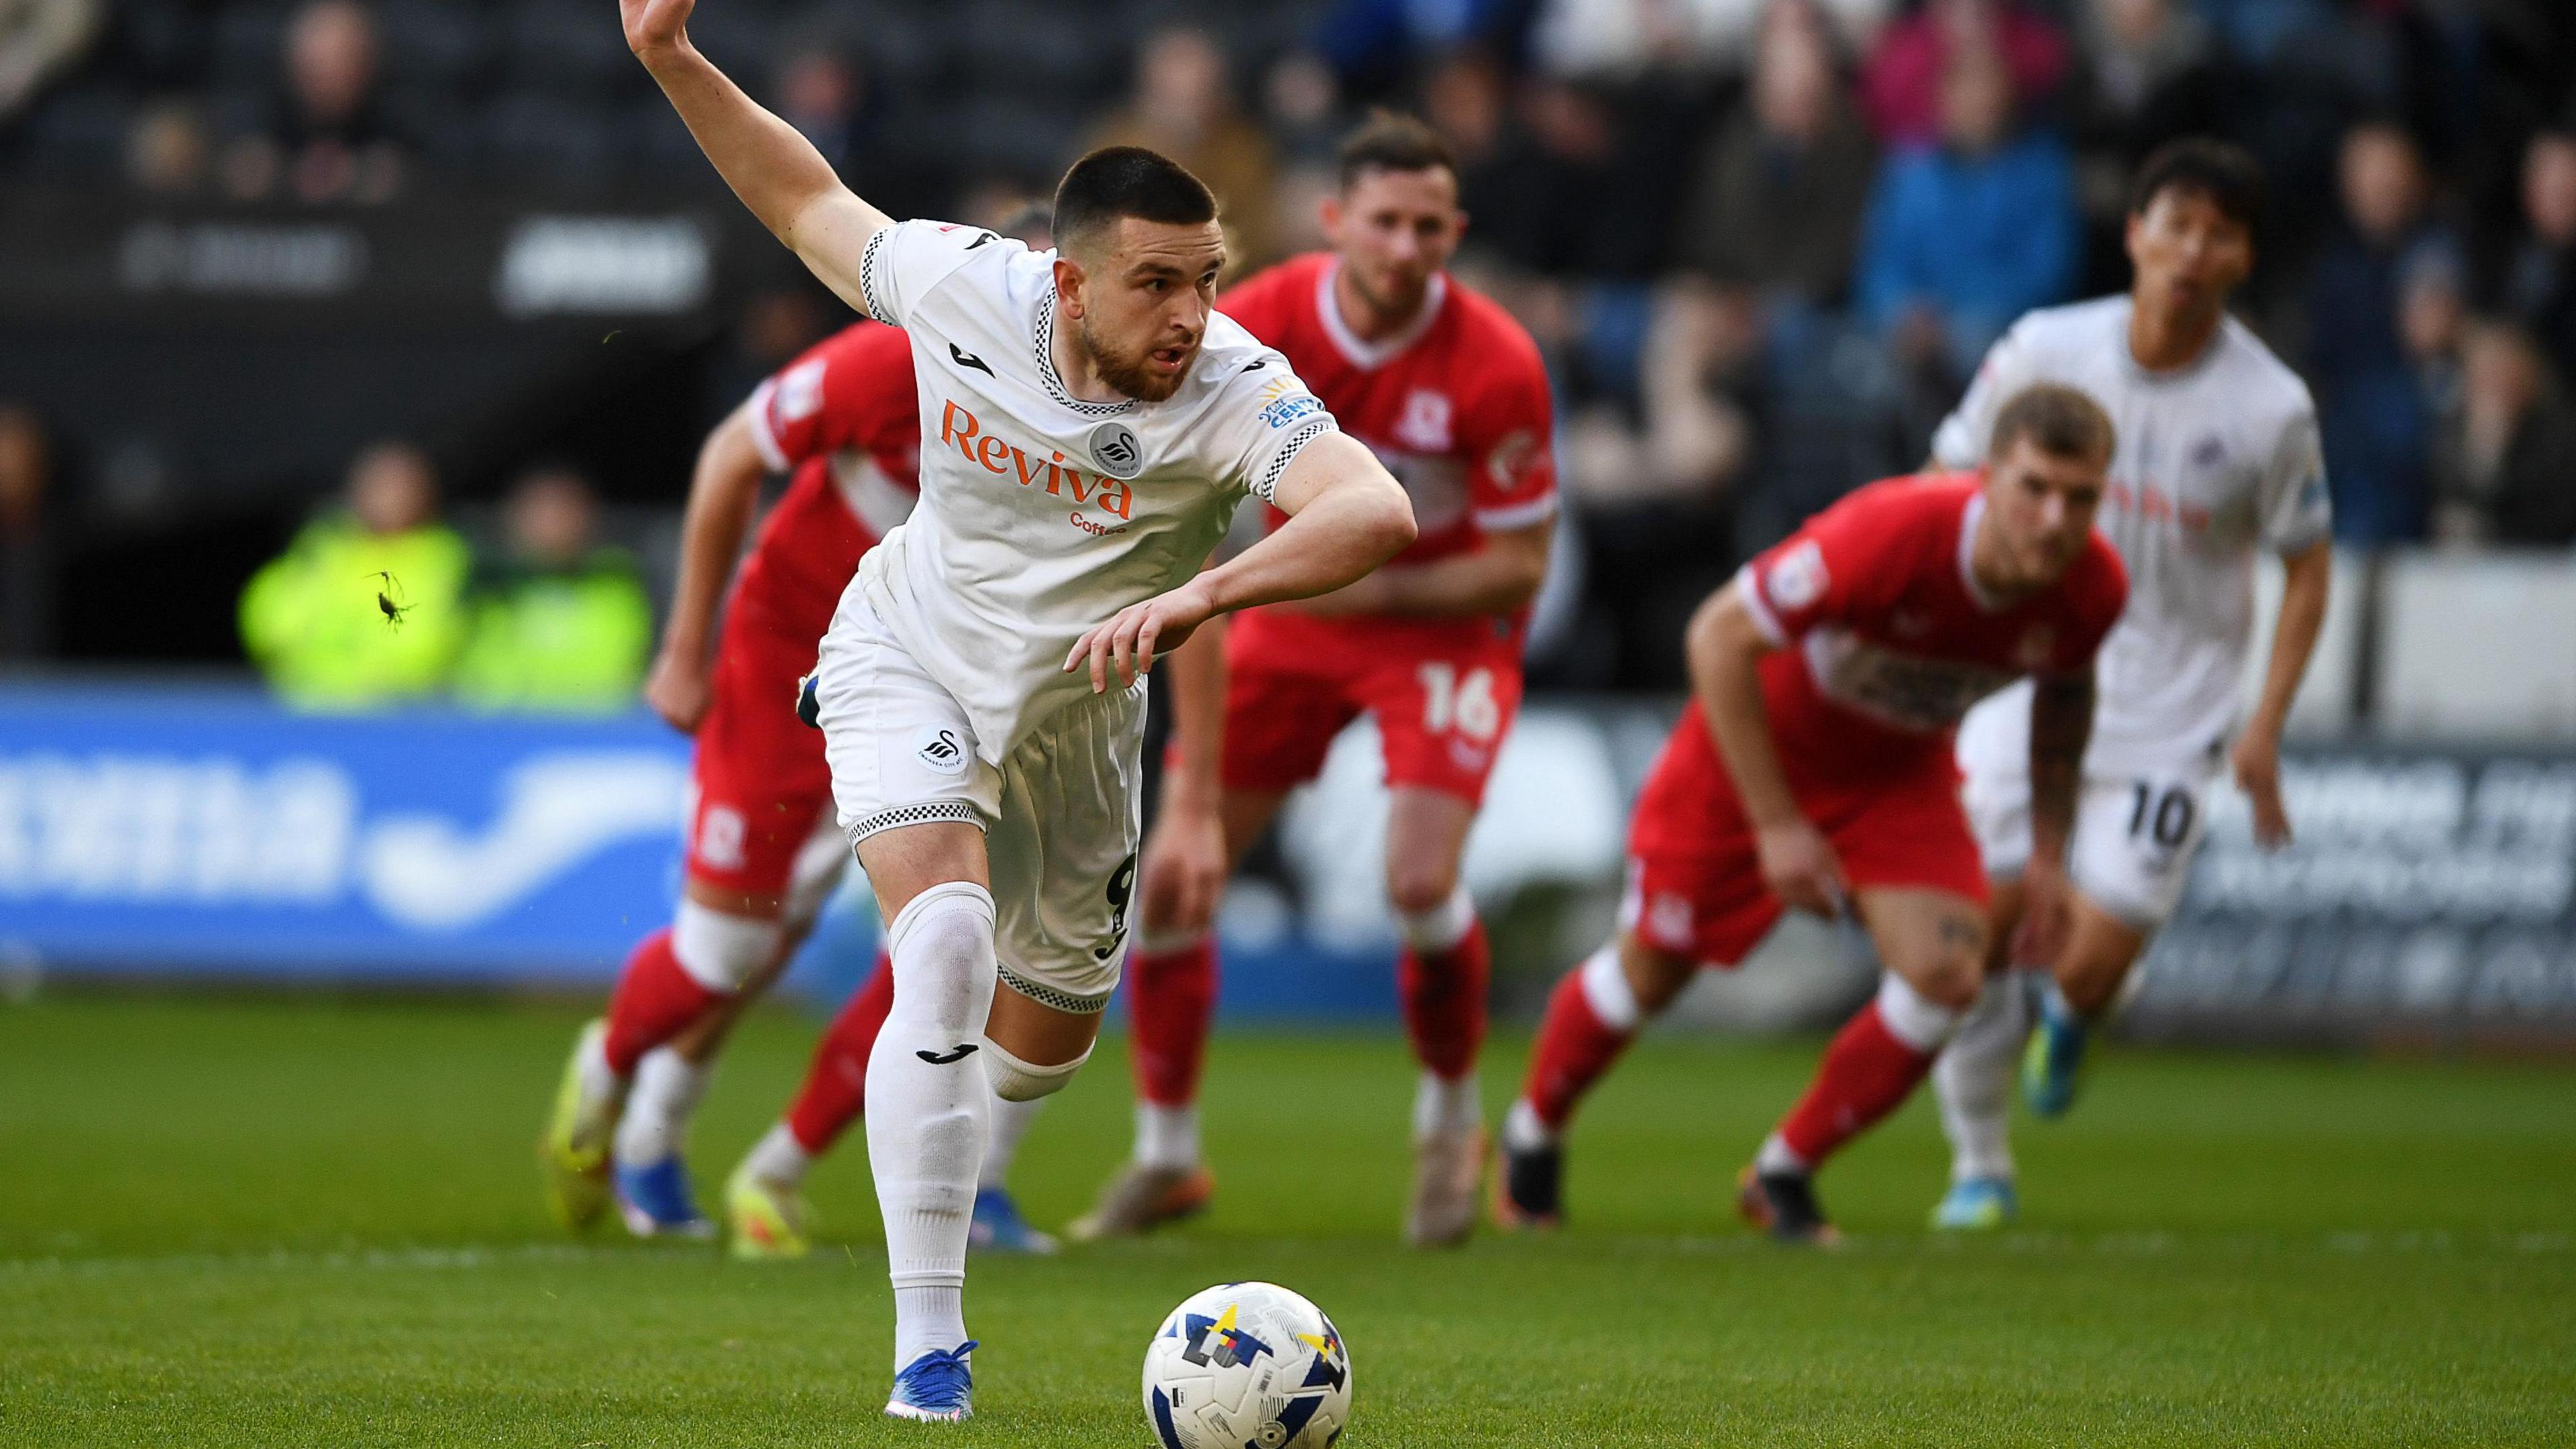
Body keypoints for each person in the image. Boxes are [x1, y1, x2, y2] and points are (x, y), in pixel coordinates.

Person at [555, 0, 1417, 1423]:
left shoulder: (1234, 388)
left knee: (1036, 1054)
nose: (1190, 315)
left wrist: (1208, 596)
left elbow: (1375, 507)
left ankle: (906, 1157)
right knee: (940, 943)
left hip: (1080, 729)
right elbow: (802, 197)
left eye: (1207, 279)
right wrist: (670, 58)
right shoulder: (964, 290)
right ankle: (928, 1357)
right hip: (910, 653)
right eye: (1156, 283)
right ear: (1066, 283)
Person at [1069, 113, 1557, 1250]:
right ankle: (1167, 1156)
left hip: (1432, 630)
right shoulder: (1267, 319)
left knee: (1419, 879)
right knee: (1182, 873)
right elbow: (1190, 491)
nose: (1403, 245)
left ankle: (1447, 1126)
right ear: (1337, 221)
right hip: (1286, 617)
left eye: (1427, 226)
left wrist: (1372, 590)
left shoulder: (1498, 361)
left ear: (1455, 233)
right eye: (1383, 221)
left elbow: (1523, 560)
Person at [1497, 384, 2128, 1243]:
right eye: (2034, 488)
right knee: (1657, 964)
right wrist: (1777, 827)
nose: (2054, 519)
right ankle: (1532, 1135)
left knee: (1948, 975)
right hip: (1755, 750)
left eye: (2080, 497)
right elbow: (1718, 635)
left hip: (1898, 771)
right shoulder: (1894, 531)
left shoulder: (2093, 589)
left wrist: (2050, 857)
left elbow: (2065, 702)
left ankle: (1783, 1171)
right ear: (1987, 478)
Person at [549, 206, 1062, 1258]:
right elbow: (732, 457)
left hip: (942, 689)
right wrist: (686, 646)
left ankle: (772, 1175)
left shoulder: (1096, 416)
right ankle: (611, 1084)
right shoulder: (892, 363)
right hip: (792, 664)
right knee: (729, 950)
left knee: (949, 949)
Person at [1921, 139, 2332, 1230]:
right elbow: (1947, 479)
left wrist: (2266, 727)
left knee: (2088, 963)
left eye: (2221, 233)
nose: (2195, 251)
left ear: (2243, 258)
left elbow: (2308, 567)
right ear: (2136, 234)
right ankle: (1979, 1165)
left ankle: (2080, 1014)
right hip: (2025, 674)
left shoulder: (2271, 408)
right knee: (1972, 930)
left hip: (2172, 712)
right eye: (2178, 226)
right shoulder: (2046, 349)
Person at [238, 441, 470, 708]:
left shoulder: (445, 558)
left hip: (401, 716)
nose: (386, 499)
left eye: (398, 487)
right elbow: (268, 621)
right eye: (377, 486)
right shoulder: (320, 548)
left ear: (425, 494)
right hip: (305, 707)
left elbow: (426, 646)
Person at [452, 466, 653, 713]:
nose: (555, 524)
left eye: (566, 512)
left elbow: (617, 669)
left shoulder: (616, 583)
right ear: (516, 518)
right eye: (542, 511)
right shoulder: (488, 589)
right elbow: (481, 676)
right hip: (505, 731)